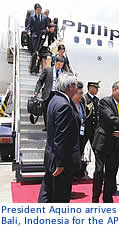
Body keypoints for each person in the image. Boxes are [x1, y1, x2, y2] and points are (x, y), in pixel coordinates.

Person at [38, 72, 80, 203]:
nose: (78, 89)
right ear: (70, 86)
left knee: (47, 191)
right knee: (60, 196)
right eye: (76, 86)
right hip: (60, 160)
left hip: (51, 155)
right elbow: (61, 137)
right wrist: (61, 163)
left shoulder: (54, 100)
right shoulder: (64, 105)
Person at [92, 81, 119, 202]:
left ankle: (108, 199)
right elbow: (111, 118)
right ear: (113, 90)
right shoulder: (105, 102)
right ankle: (95, 199)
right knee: (99, 172)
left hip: (116, 146)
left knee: (111, 174)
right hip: (102, 143)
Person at [34, 56, 64, 129]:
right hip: (48, 93)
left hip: (58, 94)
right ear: (55, 63)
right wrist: (36, 91)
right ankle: (47, 126)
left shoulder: (63, 73)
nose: (60, 66)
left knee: (57, 111)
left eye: (61, 65)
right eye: (59, 64)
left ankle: (55, 126)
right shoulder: (48, 70)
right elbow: (40, 81)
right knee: (46, 111)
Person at [71, 81, 88, 178]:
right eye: (80, 93)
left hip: (80, 137)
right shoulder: (69, 105)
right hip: (72, 138)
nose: (82, 95)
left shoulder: (81, 104)